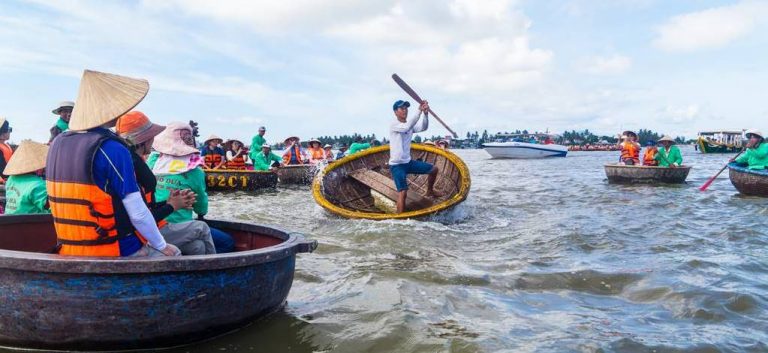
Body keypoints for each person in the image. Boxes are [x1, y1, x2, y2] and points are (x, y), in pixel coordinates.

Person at [46, 69, 180, 257]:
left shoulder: (57, 143)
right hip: (110, 249)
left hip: (68, 248)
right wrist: (162, 245)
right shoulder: (111, 148)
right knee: (175, 253)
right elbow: (138, 213)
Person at [116, 111, 216, 255]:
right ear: (143, 140)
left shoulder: (150, 162)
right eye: (151, 136)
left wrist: (169, 203)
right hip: (148, 230)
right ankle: (215, 270)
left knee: (197, 246)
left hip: (155, 223)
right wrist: (171, 206)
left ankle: (198, 275)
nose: (153, 140)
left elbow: (144, 208)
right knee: (203, 228)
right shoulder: (134, 166)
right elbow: (139, 216)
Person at [149, 122, 235, 253]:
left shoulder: (153, 162)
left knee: (198, 246)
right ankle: (214, 265)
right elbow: (201, 206)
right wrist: (200, 213)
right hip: (171, 226)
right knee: (226, 241)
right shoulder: (196, 172)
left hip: (152, 224)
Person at [389, 99, 441, 213]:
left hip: (408, 163)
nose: (405, 110)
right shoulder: (394, 125)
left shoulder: (409, 125)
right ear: (395, 112)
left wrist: (426, 114)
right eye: (402, 108)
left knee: (434, 169)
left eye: (406, 108)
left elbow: (424, 127)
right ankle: (400, 220)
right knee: (403, 192)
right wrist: (419, 110)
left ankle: (430, 191)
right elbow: (406, 127)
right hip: (397, 165)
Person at [3, 140, 50, 215]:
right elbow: (52, 207)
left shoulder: (11, 179)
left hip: (9, 223)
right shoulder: (38, 185)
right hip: (32, 225)